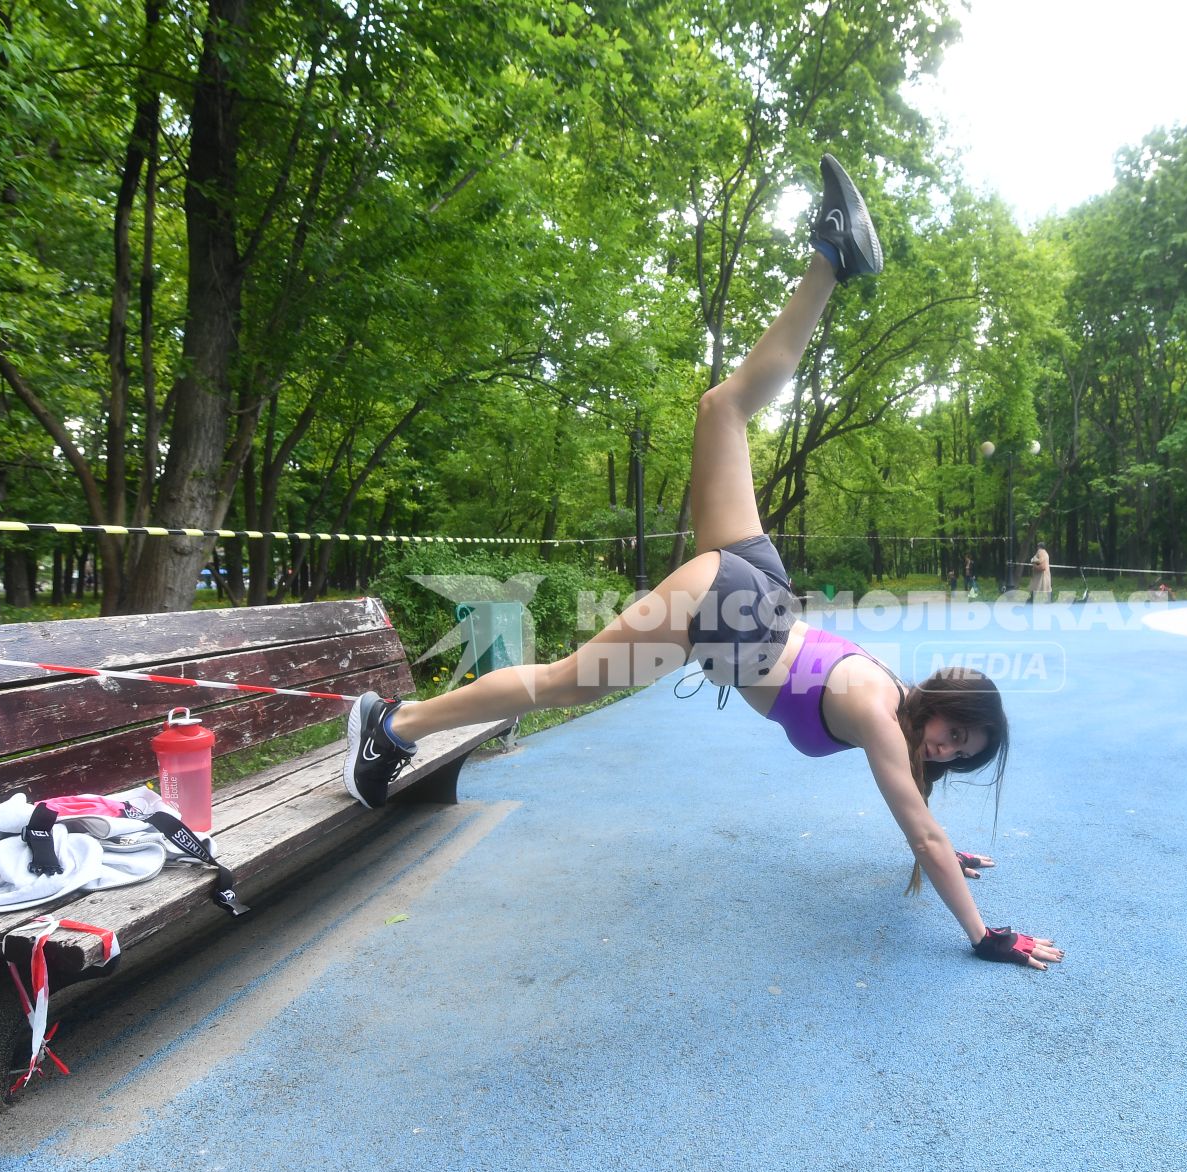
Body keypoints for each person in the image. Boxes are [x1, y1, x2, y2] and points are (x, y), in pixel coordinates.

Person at [342, 156, 1062, 973]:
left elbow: (921, 817)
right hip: (728, 612)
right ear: (943, 701)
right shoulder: (876, 712)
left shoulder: (895, 704)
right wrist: (985, 934)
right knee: (550, 685)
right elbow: (920, 826)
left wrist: (942, 855)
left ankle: (831, 257)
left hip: (756, 587)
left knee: (724, 407)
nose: (947, 749)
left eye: (961, 752)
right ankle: (390, 727)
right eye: (955, 734)